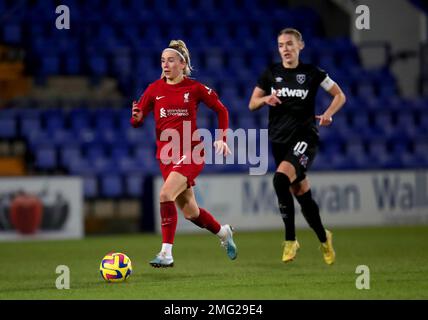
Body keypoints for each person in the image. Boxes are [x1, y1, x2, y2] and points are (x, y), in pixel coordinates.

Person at [131, 40, 238, 268]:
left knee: (164, 195)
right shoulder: (154, 89)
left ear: (182, 63)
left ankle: (166, 253)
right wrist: (137, 118)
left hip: (192, 152)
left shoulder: (195, 88)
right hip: (166, 157)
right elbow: (137, 119)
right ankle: (223, 233)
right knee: (191, 212)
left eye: (170, 60)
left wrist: (222, 137)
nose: (165, 64)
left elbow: (221, 109)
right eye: (162, 61)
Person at [248, 28, 346, 265]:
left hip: (305, 137)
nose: (286, 49)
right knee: (301, 193)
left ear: (300, 45)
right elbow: (252, 104)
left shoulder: (313, 73)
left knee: (280, 180)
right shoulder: (271, 73)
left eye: (290, 44)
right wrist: (265, 99)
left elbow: (339, 95)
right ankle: (324, 238)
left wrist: (329, 114)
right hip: (279, 140)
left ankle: (290, 240)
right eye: (281, 45)